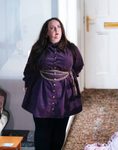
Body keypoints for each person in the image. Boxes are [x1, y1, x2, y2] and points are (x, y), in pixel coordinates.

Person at [22, 17, 84, 150]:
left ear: (62, 30)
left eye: (59, 27)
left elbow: (78, 65)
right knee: (42, 129)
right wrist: (27, 83)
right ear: (46, 32)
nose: (56, 31)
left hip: (65, 94)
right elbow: (29, 68)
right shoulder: (38, 48)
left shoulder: (71, 48)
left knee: (59, 130)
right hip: (41, 93)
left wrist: (68, 77)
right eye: (52, 28)